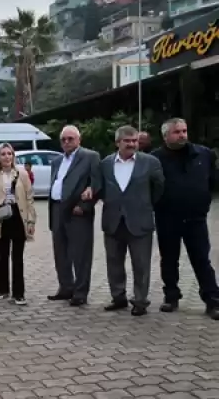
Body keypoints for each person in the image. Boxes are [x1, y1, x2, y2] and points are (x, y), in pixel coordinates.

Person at [88, 125, 164, 317]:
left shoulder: (151, 162)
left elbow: (159, 189)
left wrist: (144, 205)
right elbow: (100, 188)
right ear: (117, 143)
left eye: (134, 141)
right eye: (127, 141)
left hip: (140, 221)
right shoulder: (105, 164)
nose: (132, 144)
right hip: (113, 221)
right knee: (114, 263)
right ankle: (118, 297)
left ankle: (140, 301)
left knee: (141, 264)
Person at [151, 118, 219, 320]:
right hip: (167, 218)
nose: (182, 135)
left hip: (196, 218)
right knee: (169, 260)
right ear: (165, 136)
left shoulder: (203, 154)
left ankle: (213, 300)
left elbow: (214, 182)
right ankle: (171, 297)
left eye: (184, 131)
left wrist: (204, 201)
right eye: (177, 132)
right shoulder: (155, 158)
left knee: (202, 260)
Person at [47, 125, 101, 306]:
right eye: (63, 139)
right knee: (60, 252)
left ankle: (80, 292)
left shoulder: (90, 157)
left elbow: (96, 184)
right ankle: (65, 287)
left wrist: (84, 206)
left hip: (77, 212)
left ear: (79, 139)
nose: (67, 142)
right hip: (57, 209)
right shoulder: (56, 161)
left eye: (70, 139)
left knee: (81, 254)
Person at [0, 143, 35, 305]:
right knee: (3, 255)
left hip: (18, 216)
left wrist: (31, 220)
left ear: (13, 156)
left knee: (17, 257)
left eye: (9, 154)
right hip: (2, 217)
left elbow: (29, 198)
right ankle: (2, 289)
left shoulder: (22, 174)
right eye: (3, 154)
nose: (6, 157)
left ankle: (19, 293)